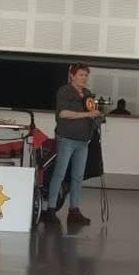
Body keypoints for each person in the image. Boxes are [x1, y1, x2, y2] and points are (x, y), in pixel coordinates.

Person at [42, 63, 96, 226]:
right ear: (72, 76)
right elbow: (63, 113)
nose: (84, 78)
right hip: (66, 139)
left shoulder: (88, 94)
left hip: (83, 141)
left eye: (86, 75)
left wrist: (96, 116)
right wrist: (86, 114)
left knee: (78, 177)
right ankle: (51, 209)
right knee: (59, 173)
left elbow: (91, 113)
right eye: (81, 75)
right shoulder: (64, 91)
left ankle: (74, 210)